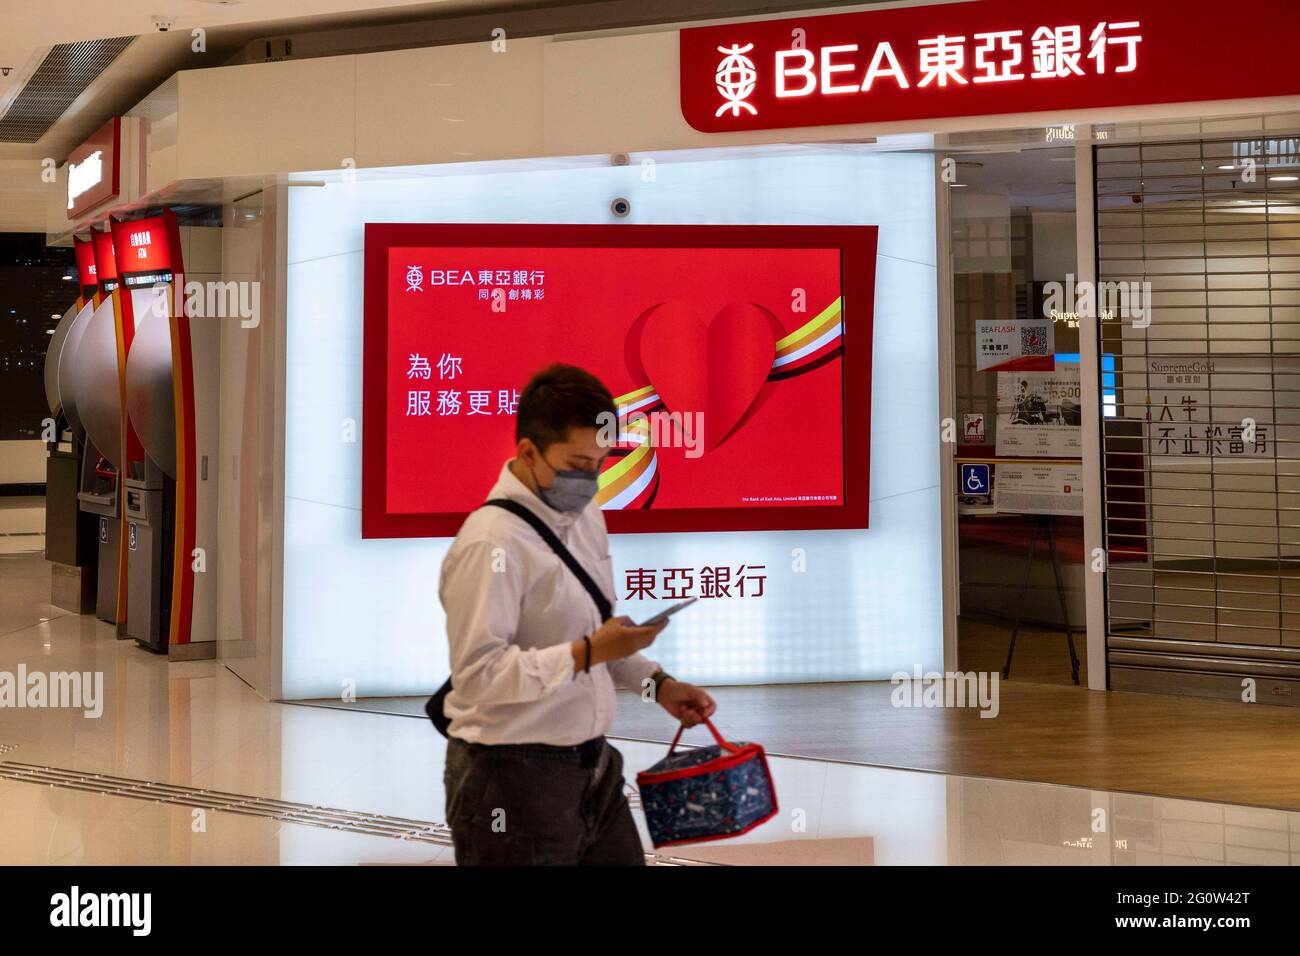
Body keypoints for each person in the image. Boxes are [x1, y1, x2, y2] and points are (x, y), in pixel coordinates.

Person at [439, 363, 717, 865]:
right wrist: (587, 652)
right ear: (527, 451)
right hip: (510, 781)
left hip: (593, 769)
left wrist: (661, 687)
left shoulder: (586, 517)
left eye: (600, 463)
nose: (589, 479)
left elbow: (600, 642)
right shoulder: (490, 543)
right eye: (577, 463)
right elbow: (478, 676)